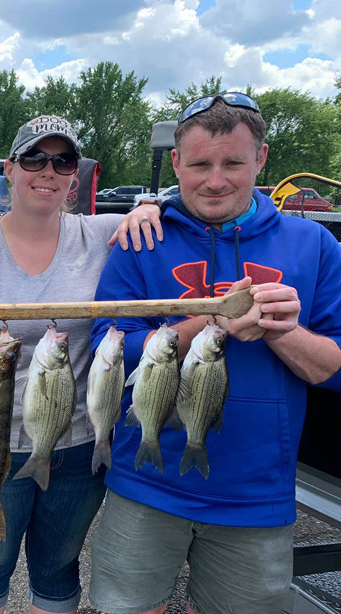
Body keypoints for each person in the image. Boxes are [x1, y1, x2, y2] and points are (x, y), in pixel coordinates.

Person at [89, 93, 341, 614]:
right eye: (200, 164)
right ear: (176, 163)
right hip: (145, 480)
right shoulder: (142, 240)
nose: (215, 180)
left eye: (233, 163)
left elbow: (333, 368)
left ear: (262, 159)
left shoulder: (314, 245)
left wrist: (278, 331)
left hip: (257, 495)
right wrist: (206, 322)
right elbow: (106, 348)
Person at [0, 115, 163, 614]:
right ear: (10, 170)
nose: (48, 171)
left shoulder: (103, 234)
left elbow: (183, 212)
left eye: (62, 161)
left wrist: (150, 205)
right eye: (35, 158)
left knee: (58, 570)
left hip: (81, 447)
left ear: (74, 178)